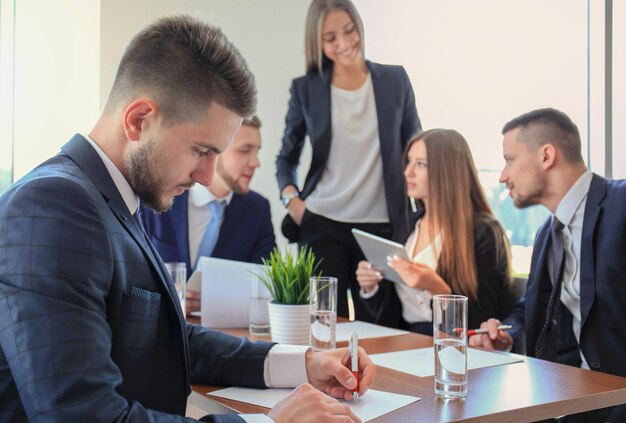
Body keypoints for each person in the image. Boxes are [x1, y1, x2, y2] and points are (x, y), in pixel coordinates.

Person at [0, 15, 374, 422]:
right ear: (139, 120)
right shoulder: (53, 205)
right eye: (201, 151)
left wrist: (303, 363)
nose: (207, 177)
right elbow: (81, 416)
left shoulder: (112, 196)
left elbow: (161, 336)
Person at [469, 108, 626, 422]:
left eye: (509, 160)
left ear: (546, 156)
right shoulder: (548, 233)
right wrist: (507, 333)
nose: (503, 176)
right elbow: (532, 306)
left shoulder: (620, 204)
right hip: (570, 399)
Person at [276, 0, 422, 321]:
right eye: (331, 38)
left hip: (382, 227)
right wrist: (292, 202)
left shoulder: (394, 81)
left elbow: (416, 146)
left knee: (384, 323)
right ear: (317, 42)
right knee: (327, 323)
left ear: (358, 26)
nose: (344, 44)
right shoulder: (306, 90)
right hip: (322, 223)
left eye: (349, 30)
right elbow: (287, 157)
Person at [356, 129, 514, 334]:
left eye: (421, 164)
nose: (408, 172)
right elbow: (392, 313)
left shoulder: (483, 233)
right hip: (403, 341)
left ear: (447, 171)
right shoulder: (408, 226)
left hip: (450, 349)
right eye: (409, 161)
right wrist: (371, 286)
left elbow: (484, 323)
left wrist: (437, 288)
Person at [141, 116, 275, 313]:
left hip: (227, 335)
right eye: (245, 150)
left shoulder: (258, 210)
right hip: (159, 332)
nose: (256, 162)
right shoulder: (159, 195)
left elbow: (267, 288)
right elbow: (129, 283)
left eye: (257, 151)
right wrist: (165, 301)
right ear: (215, 150)